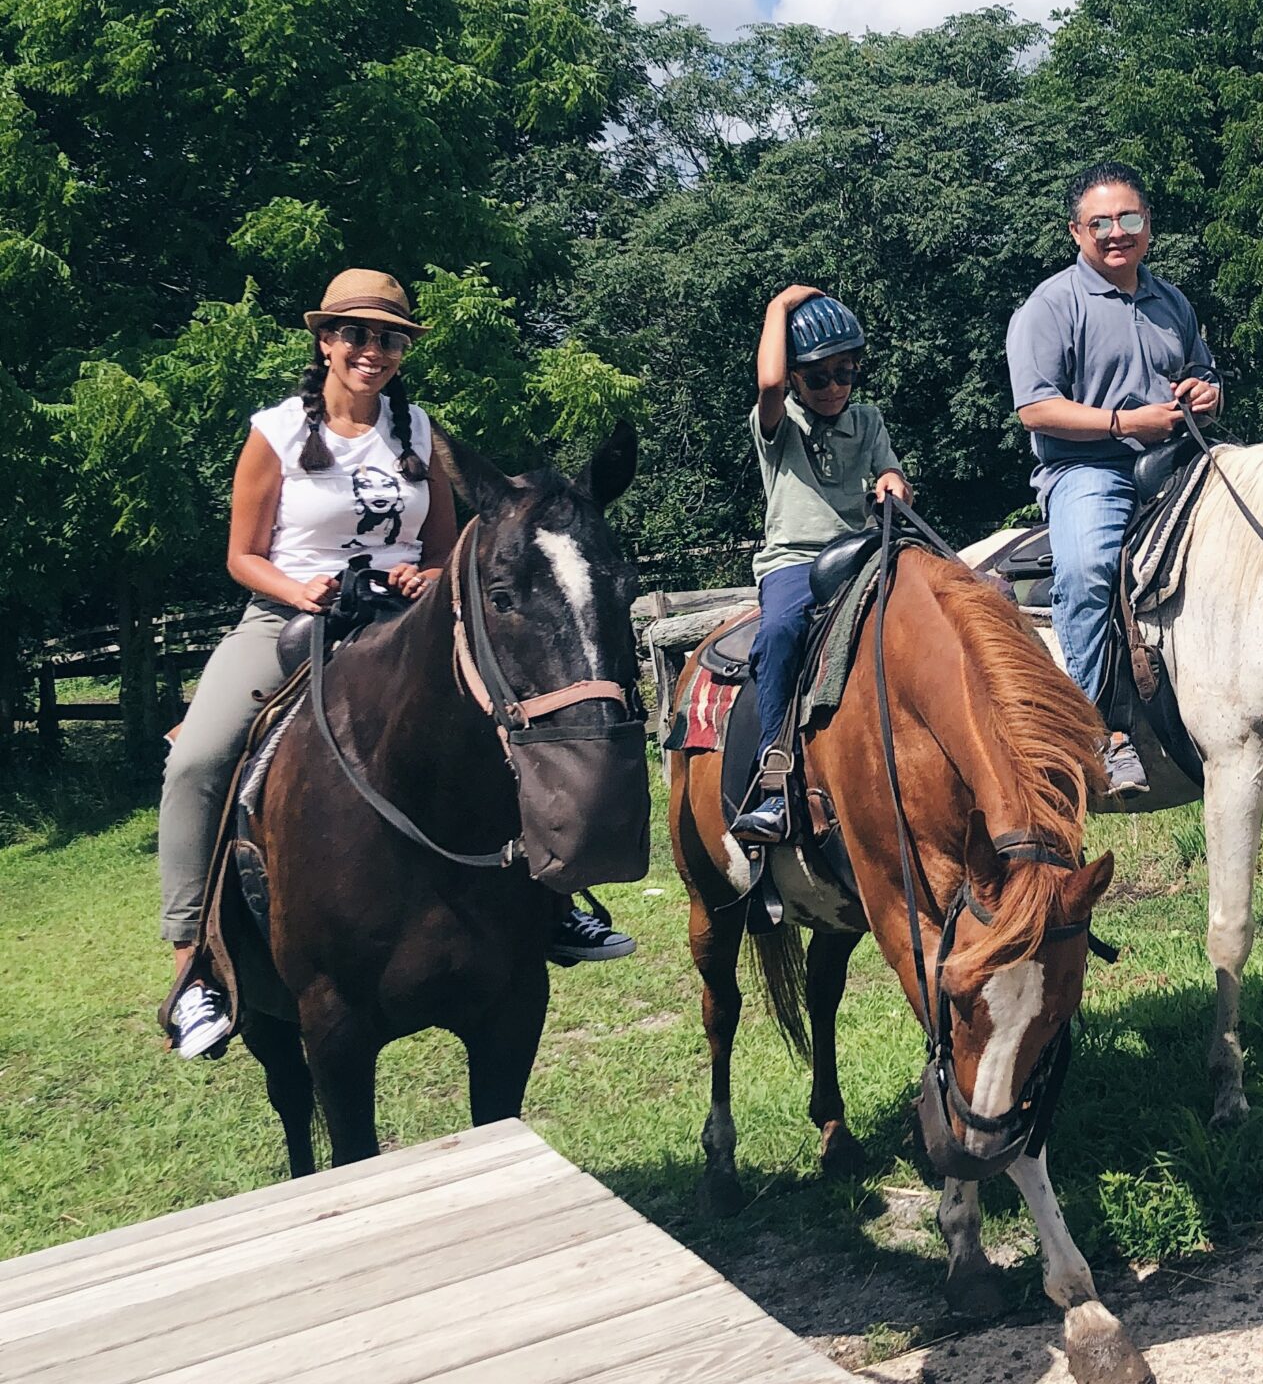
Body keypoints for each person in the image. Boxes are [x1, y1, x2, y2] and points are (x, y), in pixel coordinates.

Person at [160, 268, 632, 1061]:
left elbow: (449, 549)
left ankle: (552, 903)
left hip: (402, 619)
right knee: (199, 761)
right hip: (289, 617)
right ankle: (194, 966)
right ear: (325, 341)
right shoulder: (274, 432)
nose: (370, 350)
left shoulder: (420, 434)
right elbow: (242, 554)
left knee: (508, 724)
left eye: (388, 337)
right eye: (355, 334)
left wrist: (427, 572)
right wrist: (298, 587)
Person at [1005, 165, 1221, 795]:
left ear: (1147, 227)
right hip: (1087, 469)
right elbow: (1035, 409)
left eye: (1129, 219)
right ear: (1077, 232)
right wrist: (1125, 422)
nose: (1116, 233)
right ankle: (1095, 730)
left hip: (1178, 457)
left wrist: (1205, 391)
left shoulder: (1170, 300)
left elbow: (1202, 370)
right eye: (1100, 223)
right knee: (1089, 570)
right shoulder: (1050, 305)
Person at [729, 287, 912, 842]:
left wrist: (891, 485)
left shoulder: (868, 420)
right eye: (818, 377)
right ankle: (774, 777)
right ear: (795, 380)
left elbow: (894, 475)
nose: (834, 387)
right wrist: (777, 308)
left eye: (845, 373)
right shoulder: (778, 425)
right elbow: (766, 382)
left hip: (863, 552)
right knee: (781, 630)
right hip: (796, 562)